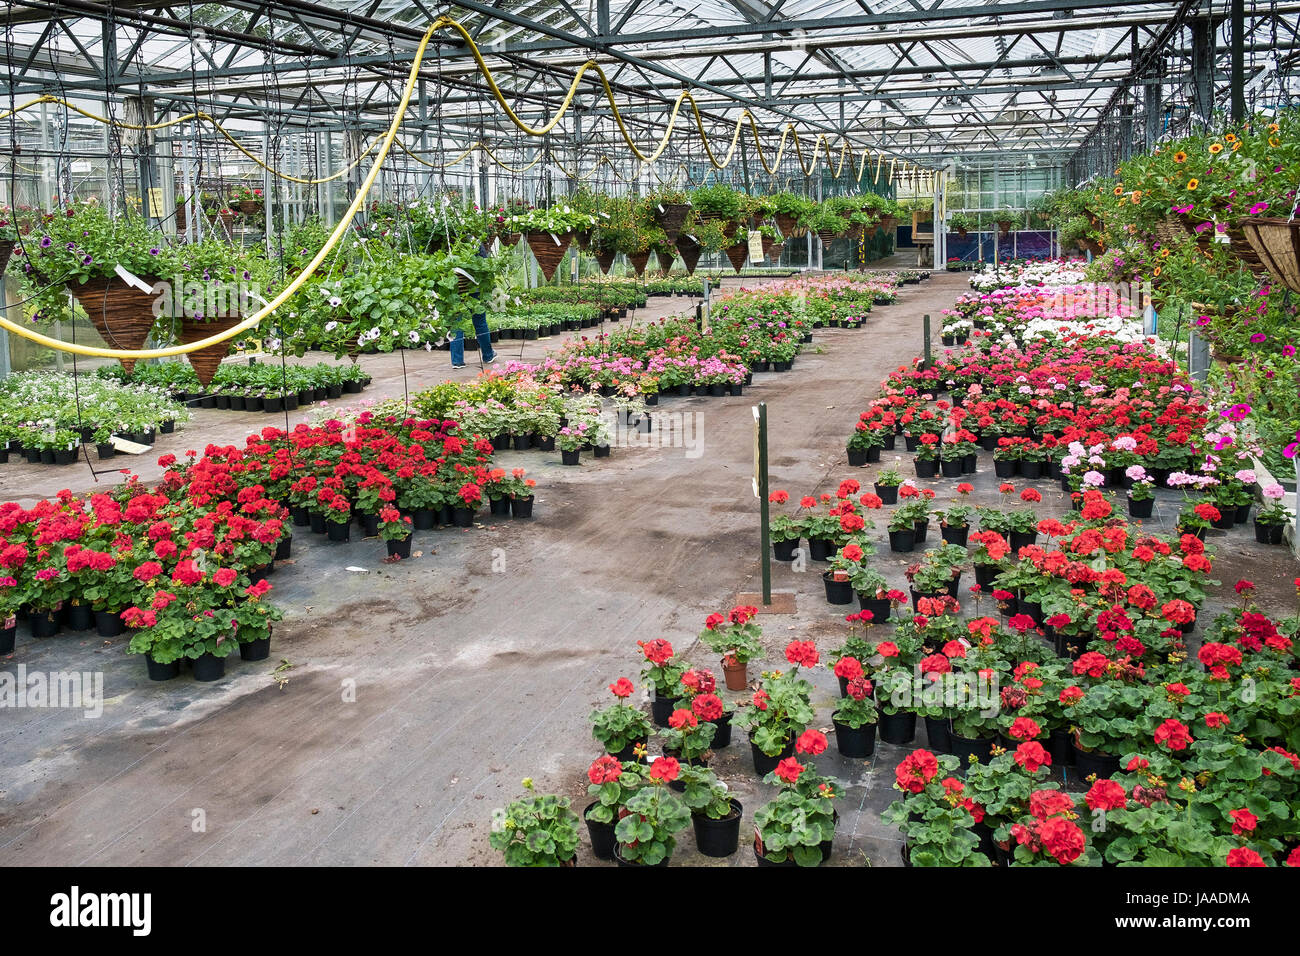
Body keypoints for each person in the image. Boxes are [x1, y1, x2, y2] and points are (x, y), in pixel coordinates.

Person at [449, 240, 497, 368]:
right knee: (480, 321)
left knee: (456, 323)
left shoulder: (445, 239)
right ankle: (488, 355)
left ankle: (457, 361)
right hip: (473, 287)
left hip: (453, 288)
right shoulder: (473, 241)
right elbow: (485, 264)